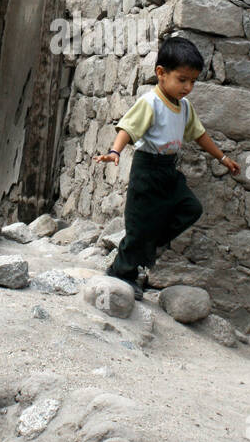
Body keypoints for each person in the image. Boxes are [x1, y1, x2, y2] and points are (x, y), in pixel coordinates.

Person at [93, 36, 240, 299]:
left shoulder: (184, 107)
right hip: (147, 169)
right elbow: (128, 127)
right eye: (182, 80)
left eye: (193, 81)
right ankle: (120, 274)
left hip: (168, 170)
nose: (188, 87)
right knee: (138, 226)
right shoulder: (151, 102)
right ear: (161, 73)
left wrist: (222, 158)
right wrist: (114, 151)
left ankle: (148, 246)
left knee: (190, 208)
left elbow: (199, 134)